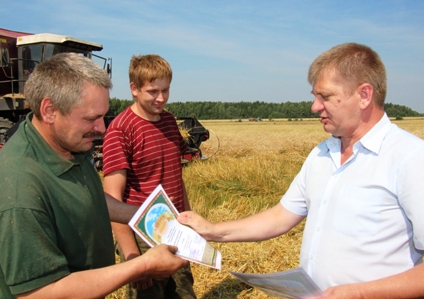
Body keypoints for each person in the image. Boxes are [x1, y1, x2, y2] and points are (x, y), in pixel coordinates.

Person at [178, 43, 424, 299]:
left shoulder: (411, 158)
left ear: (364, 95)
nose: (314, 107)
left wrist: (358, 294)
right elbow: (281, 217)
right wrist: (213, 230)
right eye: (315, 96)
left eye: (325, 97)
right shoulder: (322, 154)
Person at [0, 53, 188, 299]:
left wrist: (145, 216)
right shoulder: (18, 188)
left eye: (103, 116)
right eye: (91, 118)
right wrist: (141, 265)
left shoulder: (67, 145)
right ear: (49, 110)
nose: (101, 128)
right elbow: (39, 293)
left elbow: (90, 197)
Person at [102, 54, 196, 299]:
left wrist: (188, 220)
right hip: (143, 237)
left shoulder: (168, 120)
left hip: (176, 229)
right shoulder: (121, 130)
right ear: (134, 88)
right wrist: (133, 259)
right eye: (153, 91)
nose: (161, 98)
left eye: (166, 90)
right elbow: (112, 200)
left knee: (183, 293)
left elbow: (176, 176)